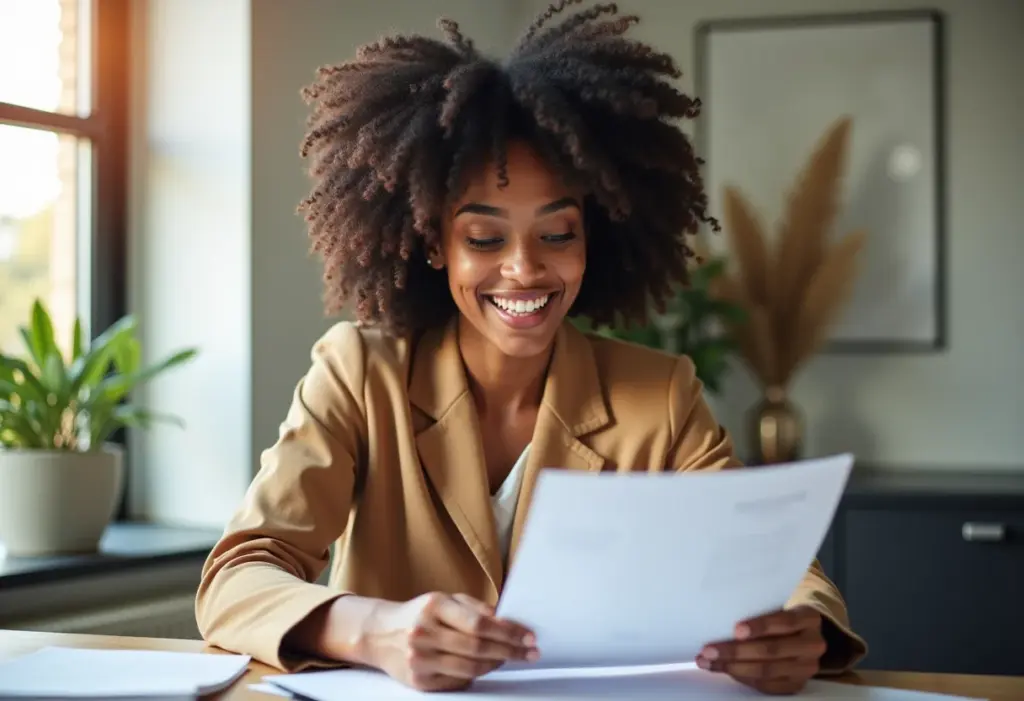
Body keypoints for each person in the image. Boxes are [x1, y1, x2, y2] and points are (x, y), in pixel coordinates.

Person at [195, 0, 867, 694]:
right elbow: (237, 577)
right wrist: (375, 630)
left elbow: (779, 570)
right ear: (433, 243)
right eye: (484, 238)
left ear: (592, 237)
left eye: (558, 233)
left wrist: (799, 629)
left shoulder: (660, 395)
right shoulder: (361, 373)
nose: (525, 268)